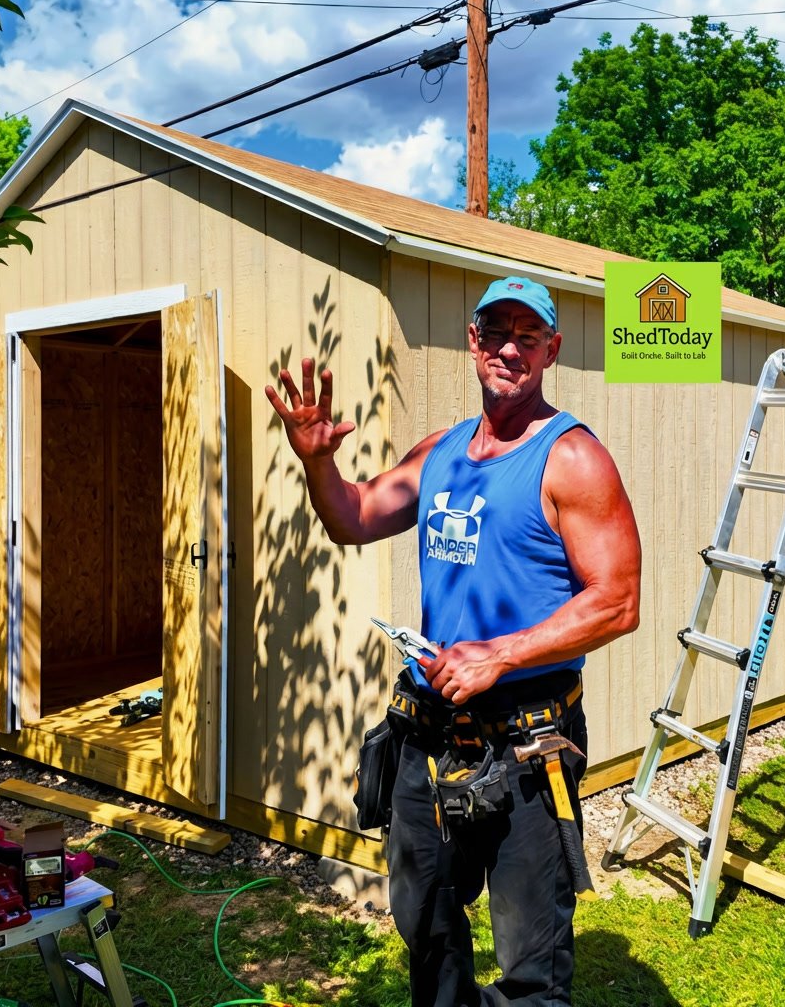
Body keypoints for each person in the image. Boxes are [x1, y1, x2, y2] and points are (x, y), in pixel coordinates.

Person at [265, 276, 642, 1007]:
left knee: (530, 955)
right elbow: (353, 517)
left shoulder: (572, 459)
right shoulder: (440, 452)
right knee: (426, 921)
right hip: (427, 730)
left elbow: (617, 602)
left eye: (526, 336)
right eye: (494, 331)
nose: (508, 348)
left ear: (550, 350)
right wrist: (316, 461)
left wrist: (500, 653)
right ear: (472, 341)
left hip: (527, 742)